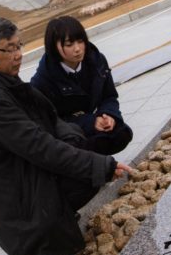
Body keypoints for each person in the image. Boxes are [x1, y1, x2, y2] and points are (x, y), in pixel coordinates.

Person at [0, 17, 131, 255]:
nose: (18, 55)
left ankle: (60, 214)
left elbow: (49, 117)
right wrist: (101, 165)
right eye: (9, 48)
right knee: (87, 175)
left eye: (19, 46)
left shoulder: (3, 82)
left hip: (24, 178)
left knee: (90, 147)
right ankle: (45, 234)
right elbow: (40, 147)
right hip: (18, 210)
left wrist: (75, 138)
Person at [31, 16, 133, 156]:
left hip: (89, 123)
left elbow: (109, 96)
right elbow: (51, 122)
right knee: (76, 145)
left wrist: (108, 115)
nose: (77, 49)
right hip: (67, 135)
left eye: (80, 41)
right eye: (69, 44)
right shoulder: (42, 81)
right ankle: (85, 168)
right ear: (54, 47)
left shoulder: (97, 61)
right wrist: (91, 122)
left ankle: (98, 165)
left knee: (122, 133)